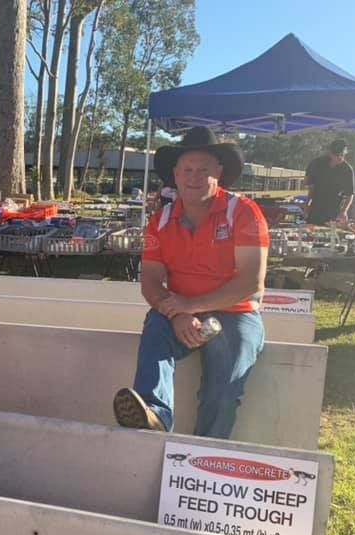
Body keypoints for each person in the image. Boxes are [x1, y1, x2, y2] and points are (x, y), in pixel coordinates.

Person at [112, 126, 269, 440]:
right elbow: (150, 280)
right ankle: (154, 415)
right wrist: (177, 312)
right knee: (156, 328)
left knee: (223, 390)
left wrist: (190, 305)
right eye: (187, 170)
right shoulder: (161, 219)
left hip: (236, 312)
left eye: (203, 170)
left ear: (218, 172)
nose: (194, 177)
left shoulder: (243, 212)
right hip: (179, 309)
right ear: (176, 174)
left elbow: (251, 281)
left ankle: (207, 449)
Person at [304, 139, 355, 225]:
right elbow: (310, 186)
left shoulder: (347, 169)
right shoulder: (317, 164)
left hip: (334, 209)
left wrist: (344, 211)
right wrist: (306, 204)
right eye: (337, 155)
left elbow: (350, 194)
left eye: (342, 155)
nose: (339, 157)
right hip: (316, 207)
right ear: (330, 153)